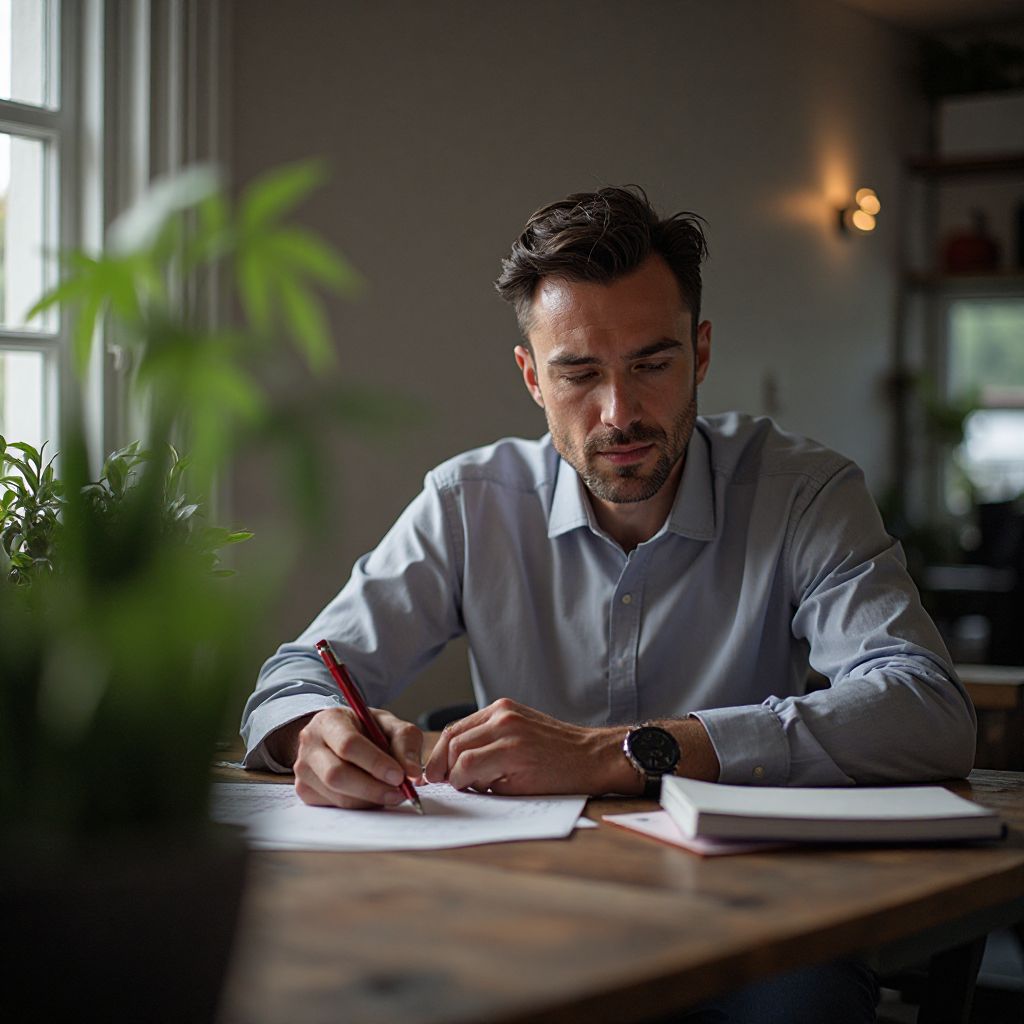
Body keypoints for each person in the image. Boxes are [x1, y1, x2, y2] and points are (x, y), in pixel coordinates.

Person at [241, 185, 975, 1022]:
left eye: (652, 364)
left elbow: (927, 709)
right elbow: (296, 673)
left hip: (753, 919)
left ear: (700, 354)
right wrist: (319, 731)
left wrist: (623, 753)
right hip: (530, 908)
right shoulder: (469, 502)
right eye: (580, 373)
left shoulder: (804, 494)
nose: (619, 413)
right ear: (531, 377)